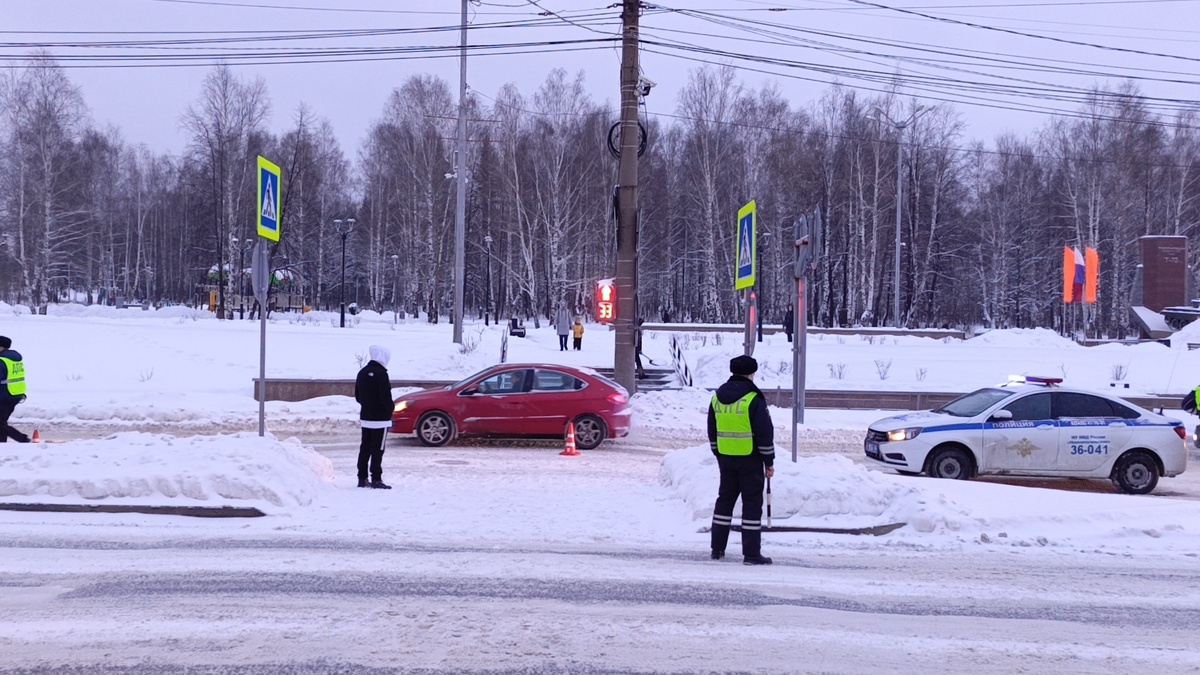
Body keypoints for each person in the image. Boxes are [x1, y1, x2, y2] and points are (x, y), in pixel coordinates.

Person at [707, 355, 775, 565]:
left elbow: (712, 428)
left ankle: (717, 548)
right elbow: (764, 431)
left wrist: (717, 452)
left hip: (726, 458)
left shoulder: (717, 396)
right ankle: (751, 554)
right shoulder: (753, 397)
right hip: (750, 459)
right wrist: (769, 461)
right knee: (752, 505)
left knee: (724, 501)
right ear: (751, 373)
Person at [355, 345, 394, 489]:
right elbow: (386, 397)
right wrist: (390, 410)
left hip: (366, 417)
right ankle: (376, 478)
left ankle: (362, 478)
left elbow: (358, 396)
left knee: (365, 447)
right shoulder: (382, 374)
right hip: (381, 419)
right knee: (378, 449)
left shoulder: (362, 373)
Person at [0, 336, 30, 444]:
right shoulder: (14, 359)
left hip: (4, 395)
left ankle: (22, 439)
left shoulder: (2, 361)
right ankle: (2, 444)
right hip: (15, 394)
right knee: (2, 422)